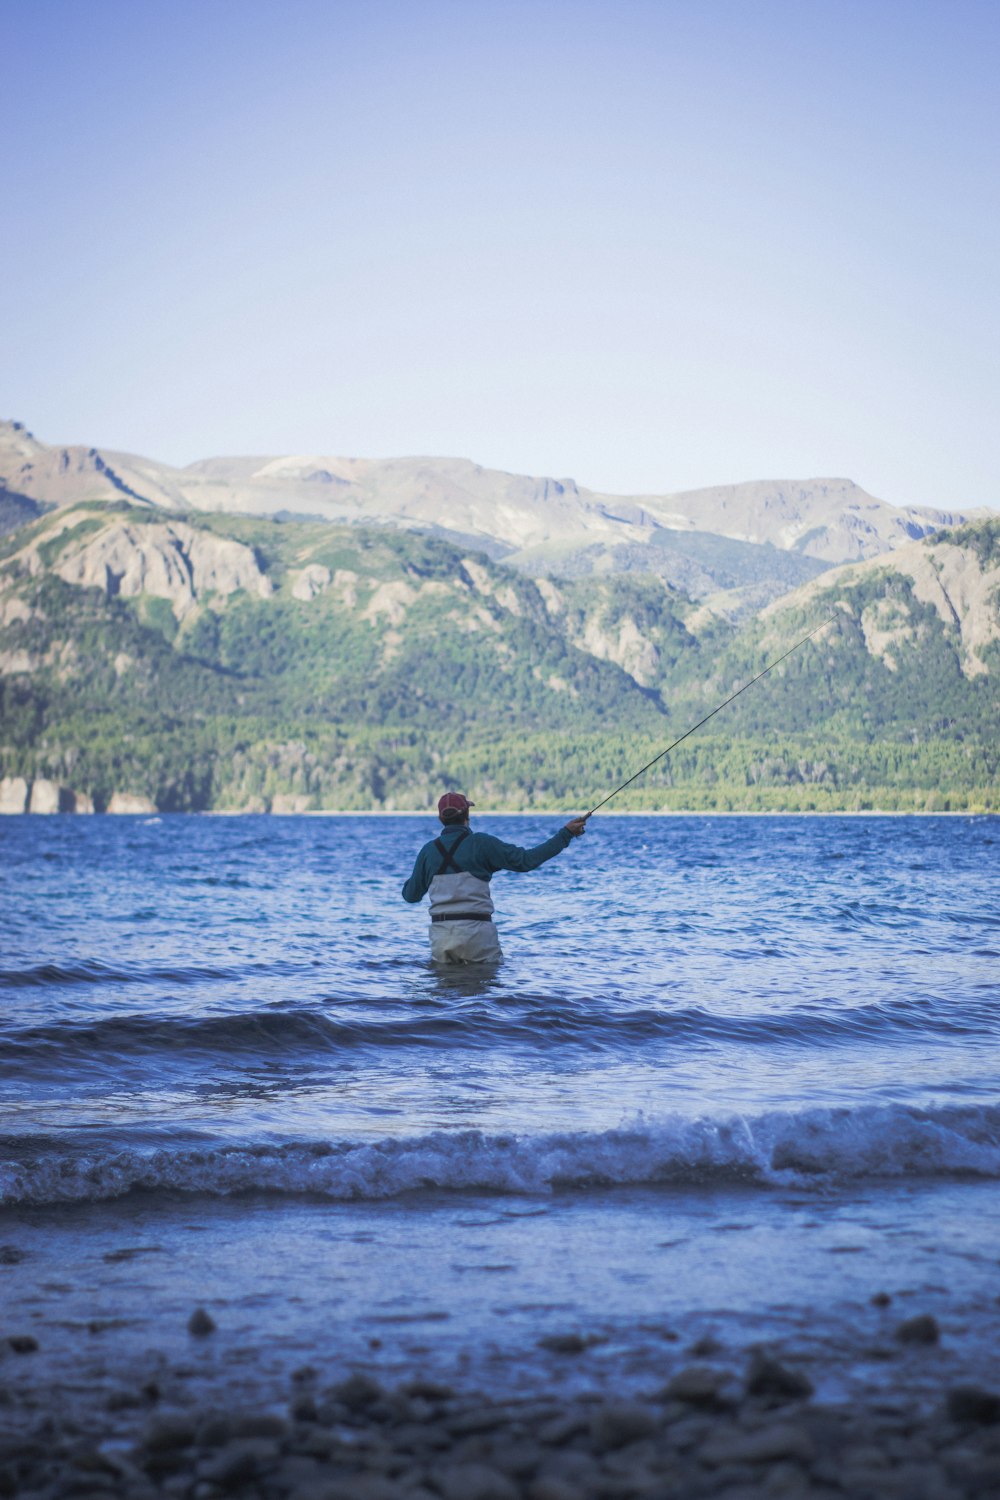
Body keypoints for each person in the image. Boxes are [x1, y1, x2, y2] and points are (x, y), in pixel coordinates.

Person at [402, 792, 588, 963]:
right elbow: (526, 861)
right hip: (478, 934)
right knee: (483, 993)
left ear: (440, 818)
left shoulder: (427, 851)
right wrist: (566, 834)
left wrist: (420, 873)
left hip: (441, 936)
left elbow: (410, 896)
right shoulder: (482, 843)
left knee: (444, 992)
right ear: (467, 815)